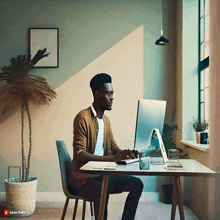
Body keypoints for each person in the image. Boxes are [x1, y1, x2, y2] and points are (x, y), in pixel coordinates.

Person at [70, 73, 143, 220]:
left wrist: (126, 153)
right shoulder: (82, 118)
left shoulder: (106, 121)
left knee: (137, 184)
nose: (112, 98)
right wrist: (112, 159)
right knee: (101, 191)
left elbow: (113, 147)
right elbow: (80, 153)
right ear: (97, 95)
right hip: (83, 179)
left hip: (101, 175)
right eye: (108, 94)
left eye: (112, 94)